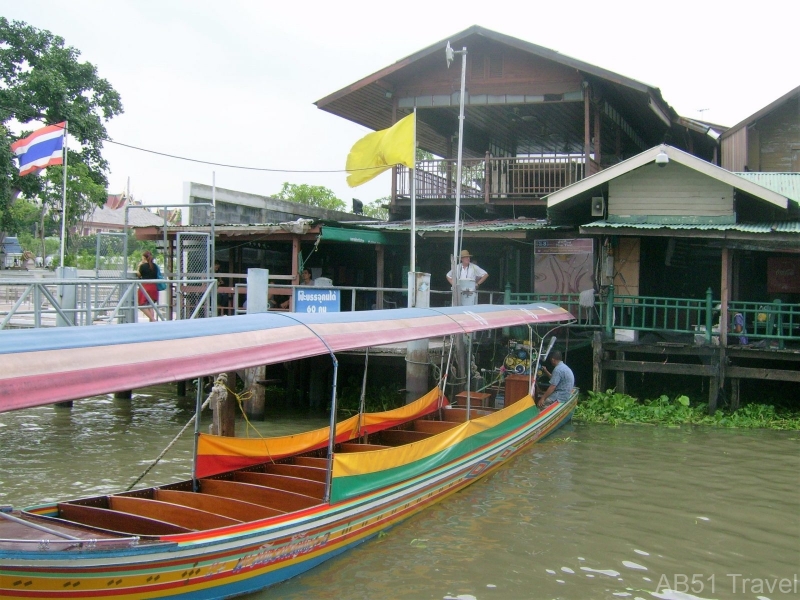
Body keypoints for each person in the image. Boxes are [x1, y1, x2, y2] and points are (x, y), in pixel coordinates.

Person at [137, 250, 158, 322]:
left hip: (145, 287)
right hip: (154, 287)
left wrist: (139, 265)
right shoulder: (155, 266)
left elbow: (139, 274)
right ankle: (152, 322)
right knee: (150, 305)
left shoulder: (143, 266)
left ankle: (153, 319)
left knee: (141, 305)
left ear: (144, 258)